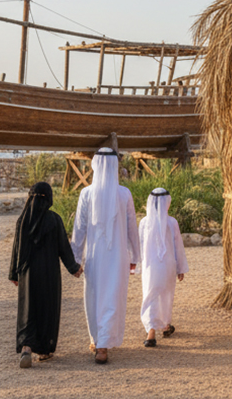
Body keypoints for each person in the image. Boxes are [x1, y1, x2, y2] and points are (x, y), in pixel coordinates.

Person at [70, 148, 140, 364]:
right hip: (117, 257)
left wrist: (75, 258)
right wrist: (134, 256)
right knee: (112, 298)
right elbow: (132, 229)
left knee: (95, 297)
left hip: (94, 257)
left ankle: (98, 341)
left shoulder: (87, 193)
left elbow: (79, 229)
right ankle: (102, 344)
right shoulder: (124, 193)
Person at [10, 182, 82, 368]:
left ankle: (26, 347)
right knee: (47, 309)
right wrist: (74, 268)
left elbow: (16, 248)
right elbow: (63, 248)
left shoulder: (22, 220)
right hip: (49, 273)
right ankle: (44, 350)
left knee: (28, 309)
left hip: (27, 273)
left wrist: (14, 273)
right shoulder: (54, 220)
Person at [138, 188, 189, 347]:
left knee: (150, 295)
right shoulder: (172, 222)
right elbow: (178, 246)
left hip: (150, 267)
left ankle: (151, 331)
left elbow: (139, 246)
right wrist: (180, 268)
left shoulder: (144, 222)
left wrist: (138, 265)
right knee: (166, 296)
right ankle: (164, 326)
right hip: (168, 266)